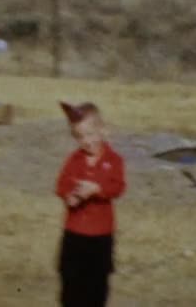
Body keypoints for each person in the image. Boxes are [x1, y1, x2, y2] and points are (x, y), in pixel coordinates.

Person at [55, 101, 127, 307]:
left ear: (102, 130)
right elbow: (61, 185)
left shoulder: (114, 160)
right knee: (70, 284)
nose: (86, 141)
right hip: (74, 233)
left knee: (96, 287)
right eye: (79, 137)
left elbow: (118, 187)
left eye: (90, 134)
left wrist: (97, 189)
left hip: (100, 236)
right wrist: (69, 196)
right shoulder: (74, 159)